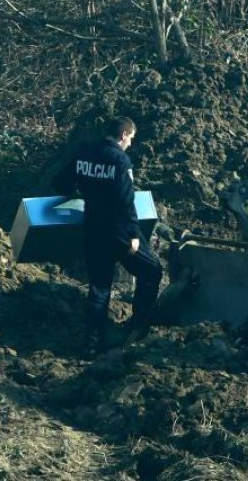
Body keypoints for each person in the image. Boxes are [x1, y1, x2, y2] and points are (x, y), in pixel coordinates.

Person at [53, 116, 162, 353]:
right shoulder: (120, 160)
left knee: (99, 287)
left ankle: (91, 343)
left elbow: (60, 183)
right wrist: (134, 233)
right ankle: (138, 328)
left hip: (93, 229)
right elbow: (126, 200)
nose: (131, 144)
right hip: (119, 232)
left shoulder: (85, 154)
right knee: (152, 270)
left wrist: (83, 191)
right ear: (123, 135)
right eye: (131, 138)